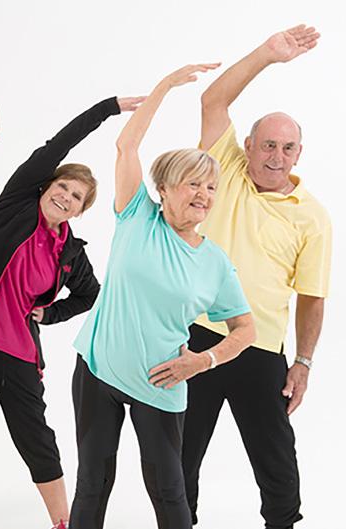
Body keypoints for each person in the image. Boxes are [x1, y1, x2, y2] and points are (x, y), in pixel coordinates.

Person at [0, 92, 145, 529]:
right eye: (62, 187)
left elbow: (91, 295)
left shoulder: (69, 253)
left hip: (17, 350)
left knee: (36, 439)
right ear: (46, 187)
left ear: (81, 211)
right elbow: (58, 145)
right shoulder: (14, 204)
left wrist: (49, 315)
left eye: (76, 197)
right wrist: (107, 108)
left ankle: (63, 523)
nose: (66, 197)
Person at [70, 64, 256, 529]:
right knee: (92, 483)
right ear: (165, 189)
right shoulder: (137, 215)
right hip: (98, 371)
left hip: (161, 382)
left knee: (170, 490)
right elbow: (126, 145)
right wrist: (165, 87)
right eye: (193, 183)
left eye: (211, 187)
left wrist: (204, 361)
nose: (204, 194)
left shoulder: (214, 262)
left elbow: (245, 329)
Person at [182, 25, 331, 529]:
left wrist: (303, 362)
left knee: (277, 463)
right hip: (197, 336)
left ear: (299, 153)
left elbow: (312, 297)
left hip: (260, 348)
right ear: (247, 145)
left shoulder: (313, 217)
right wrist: (267, 55)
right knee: (179, 456)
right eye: (267, 145)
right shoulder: (222, 168)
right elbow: (212, 100)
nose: (276, 157)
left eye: (287, 148)